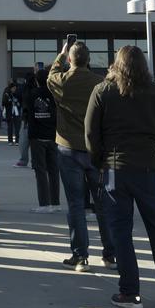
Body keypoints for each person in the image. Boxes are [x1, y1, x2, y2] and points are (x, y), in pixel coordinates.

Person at [85, 45, 155, 308]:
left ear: (116, 63)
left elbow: (91, 134)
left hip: (115, 168)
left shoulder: (103, 90)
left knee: (121, 231)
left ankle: (130, 293)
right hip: (148, 167)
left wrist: (99, 163)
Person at [47, 38, 116, 272]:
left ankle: (80, 256)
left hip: (68, 148)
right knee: (103, 204)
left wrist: (61, 53)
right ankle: (110, 254)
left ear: (70, 59)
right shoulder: (101, 83)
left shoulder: (63, 81)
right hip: (95, 151)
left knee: (75, 205)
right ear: (88, 60)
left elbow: (51, 75)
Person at [24, 67, 60, 213]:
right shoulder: (54, 94)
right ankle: (55, 202)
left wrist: (30, 82)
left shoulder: (32, 94)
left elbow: (25, 102)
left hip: (37, 136)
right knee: (53, 170)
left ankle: (44, 203)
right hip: (53, 135)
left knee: (40, 170)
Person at [2, 80, 20, 145]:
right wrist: (10, 101)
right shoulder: (6, 93)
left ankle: (17, 140)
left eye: (15, 88)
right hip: (9, 111)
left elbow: (20, 100)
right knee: (10, 127)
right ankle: (10, 141)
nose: (14, 89)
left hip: (16, 112)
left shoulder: (18, 93)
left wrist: (17, 103)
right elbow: (3, 102)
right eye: (13, 88)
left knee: (17, 127)